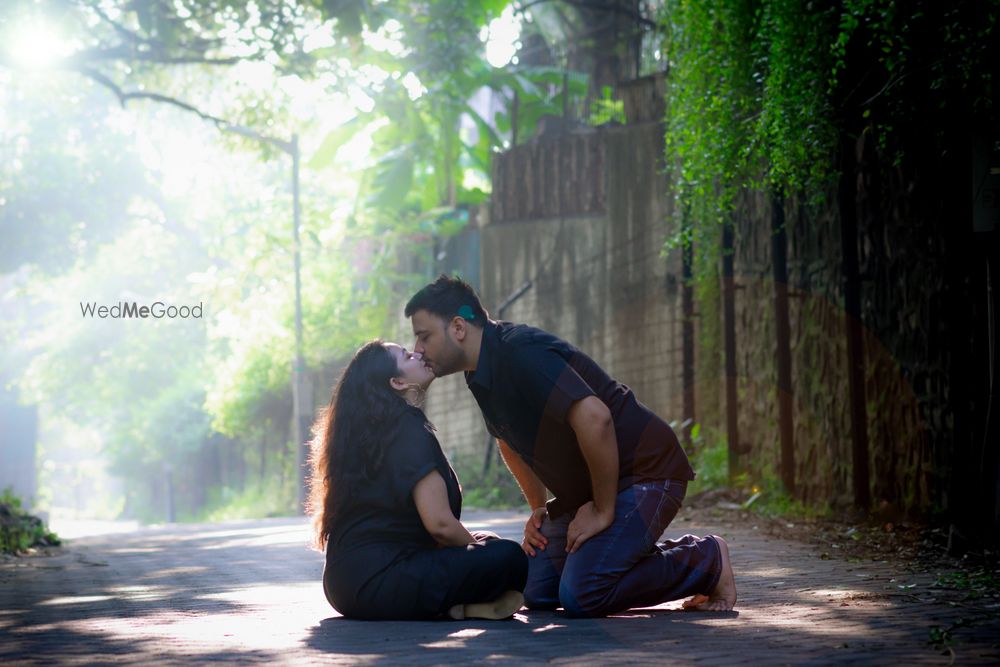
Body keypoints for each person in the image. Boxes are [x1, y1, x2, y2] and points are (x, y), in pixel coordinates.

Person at [405, 276, 737, 617]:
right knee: (535, 589)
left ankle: (705, 559)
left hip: (645, 473)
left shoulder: (520, 352)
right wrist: (538, 509)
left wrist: (603, 509)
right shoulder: (479, 373)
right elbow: (508, 441)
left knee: (583, 593)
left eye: (424, 335)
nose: (418, 348)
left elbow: (596, 419)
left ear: (458, 326)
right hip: (591, 493)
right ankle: (608, 556)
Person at [308, 339, 528, 620]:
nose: (418, 352)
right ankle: (468, 601)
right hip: (381, 581)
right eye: (406, 355)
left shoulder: (369, 436)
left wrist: (477, 547)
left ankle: (463, 608)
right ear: (397, 382)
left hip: (343, 586)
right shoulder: (407, 429)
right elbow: (440, 526)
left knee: (490, 541)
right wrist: (478, 553)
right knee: (508, 557)